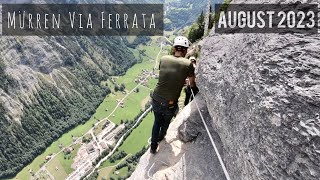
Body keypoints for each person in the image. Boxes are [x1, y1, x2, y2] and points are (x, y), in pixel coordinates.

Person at [150, 36, 195, 154]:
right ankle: (160, 138)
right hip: (169, 103)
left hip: (156, 98)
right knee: (165, 123)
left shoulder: (164, 58)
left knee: (156, 122)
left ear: (174, 48)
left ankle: (153, 147)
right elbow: (192, 82)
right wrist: (194, 90)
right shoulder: (188, 63)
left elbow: (167, 75)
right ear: (185, 50)